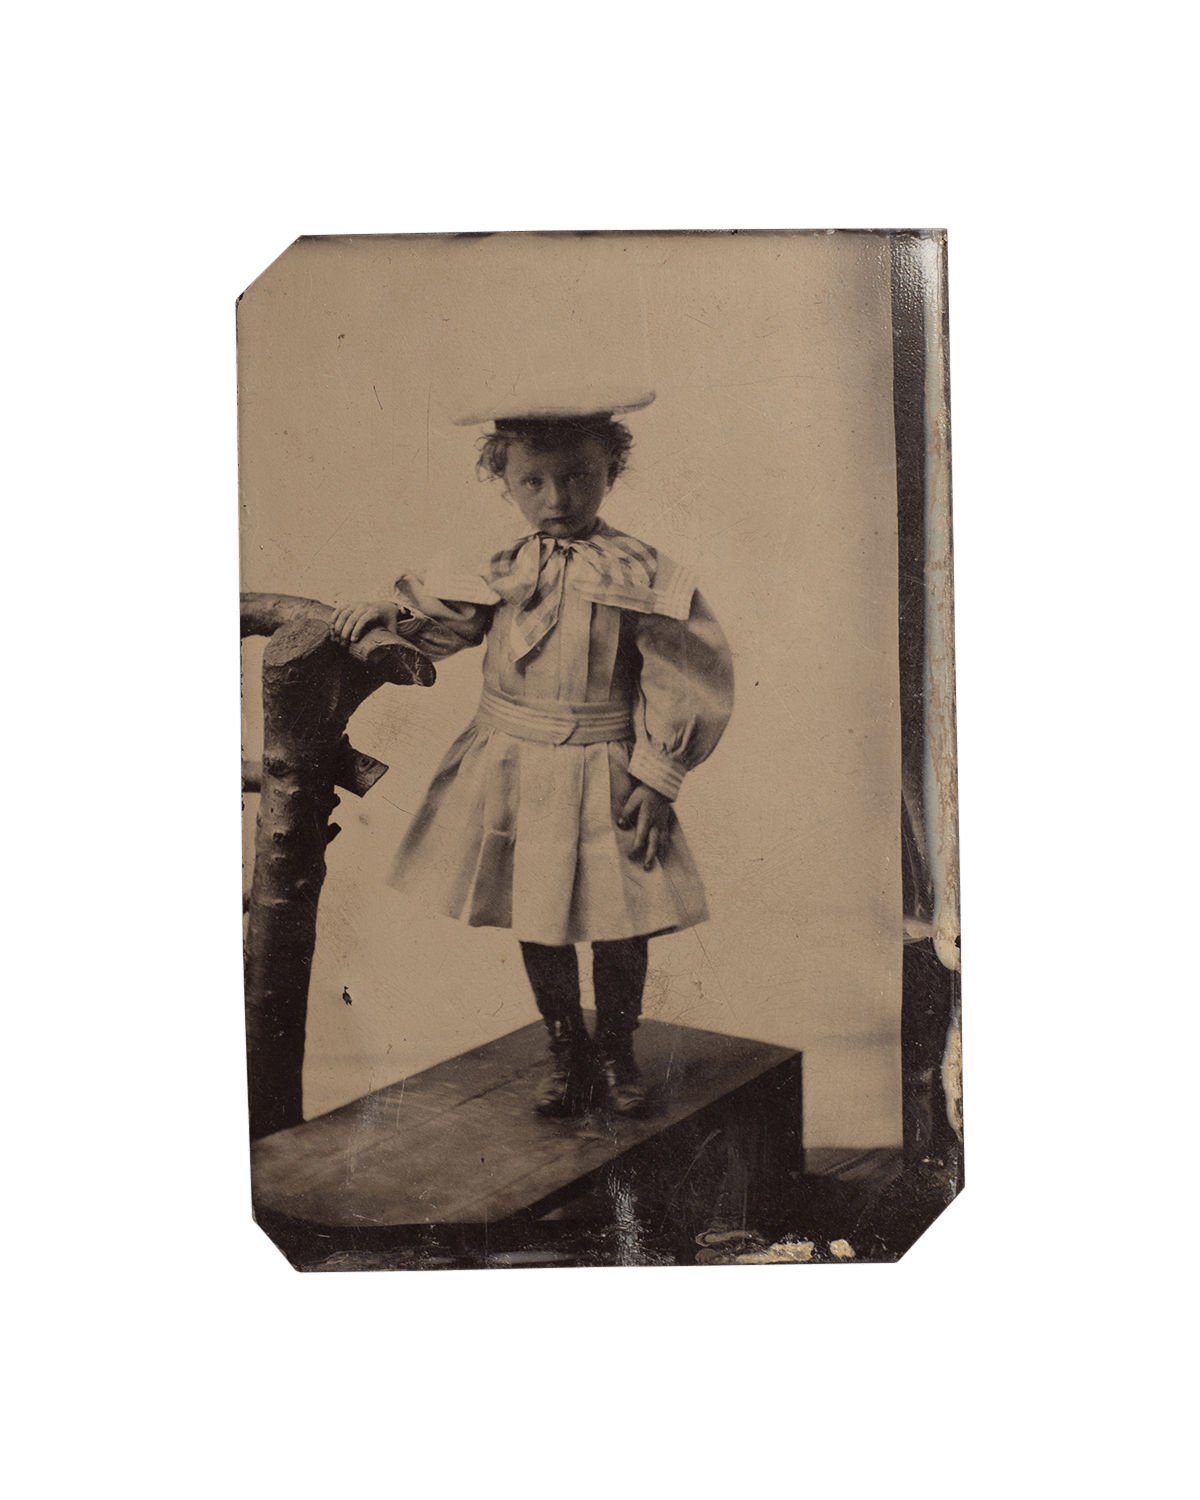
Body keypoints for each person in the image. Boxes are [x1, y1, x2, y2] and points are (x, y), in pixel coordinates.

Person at [331, 391, 734, 1118]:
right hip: (513, 764)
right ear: (504, 478)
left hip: (605, 764)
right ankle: (565, 1050)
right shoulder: (499, 567)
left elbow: (683, 676)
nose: (557, 499)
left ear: (612, 468)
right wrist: (385, 610)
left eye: (579, 477)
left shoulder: (643, 572)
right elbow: (442, 622)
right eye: (533, 482)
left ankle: (615, 1048)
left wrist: (658, 776)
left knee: (621, 920)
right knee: (537, 914)